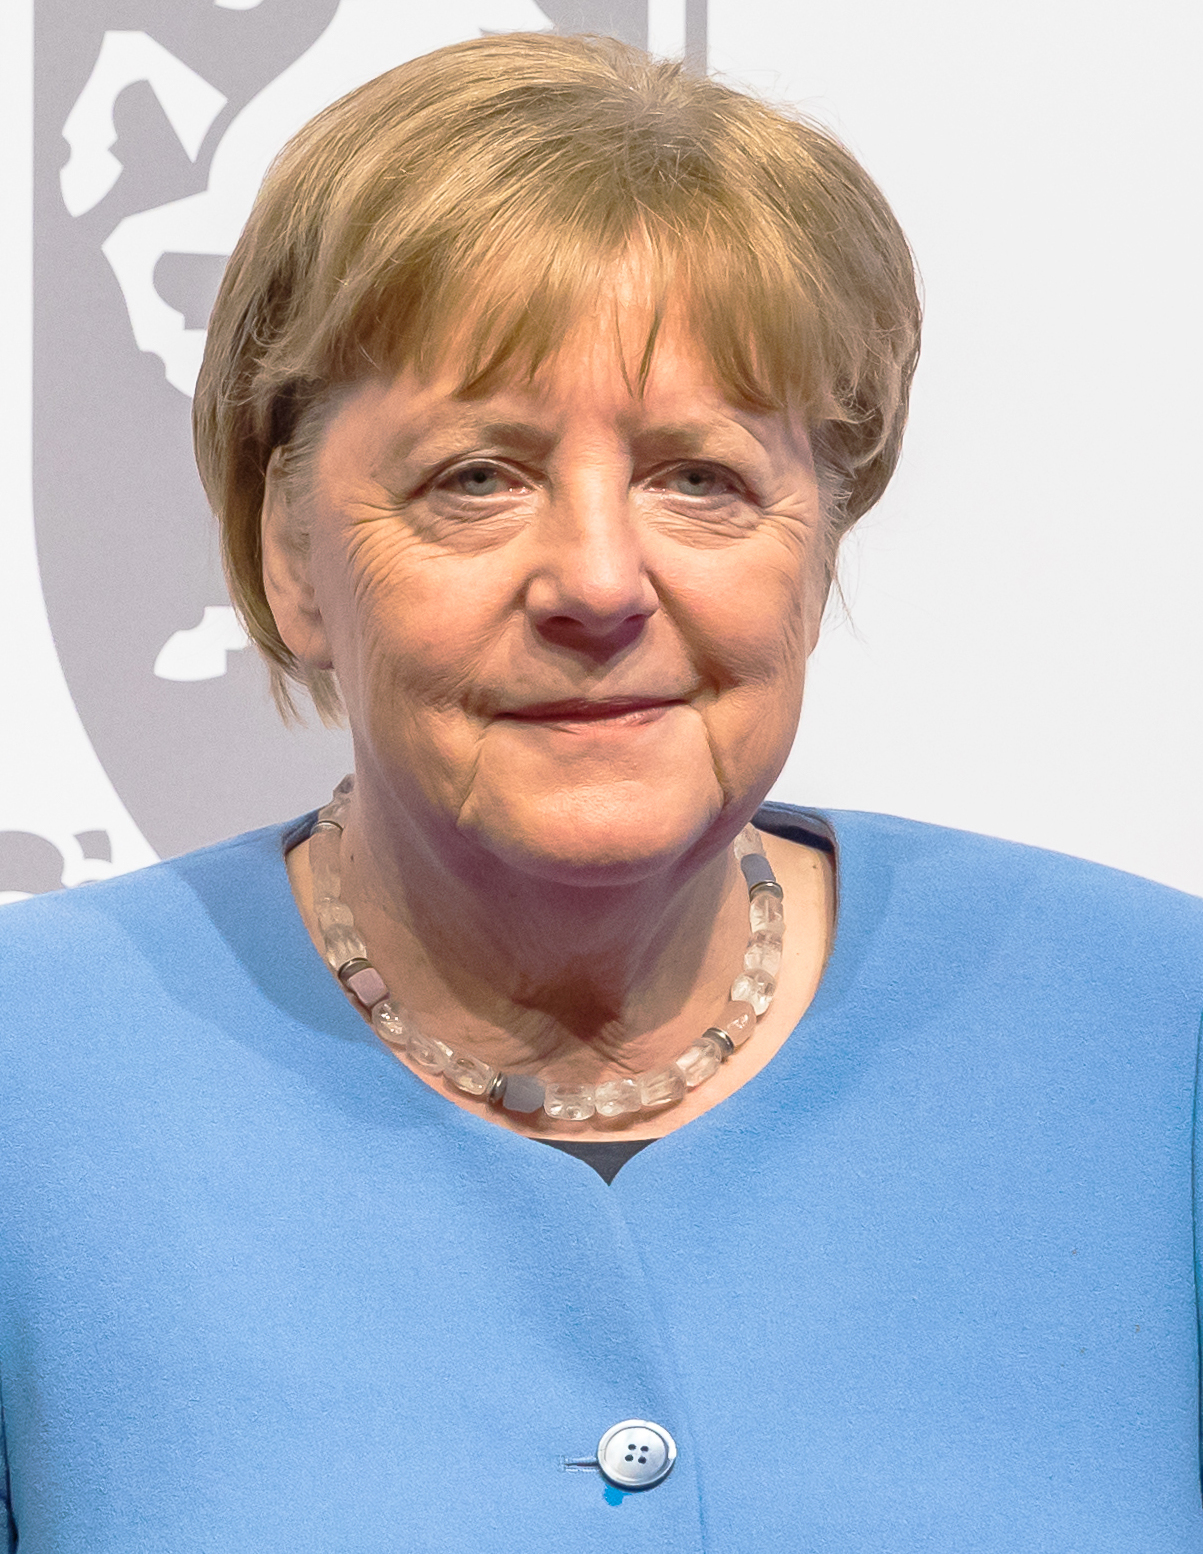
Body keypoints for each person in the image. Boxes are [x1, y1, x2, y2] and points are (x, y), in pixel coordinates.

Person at [2, 30, 1201, 1554]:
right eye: (476, 477)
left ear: (820, 541)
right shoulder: (31, 1074)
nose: (597, 581)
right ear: (291, 557)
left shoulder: (1161, 1038)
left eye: (700, 476)